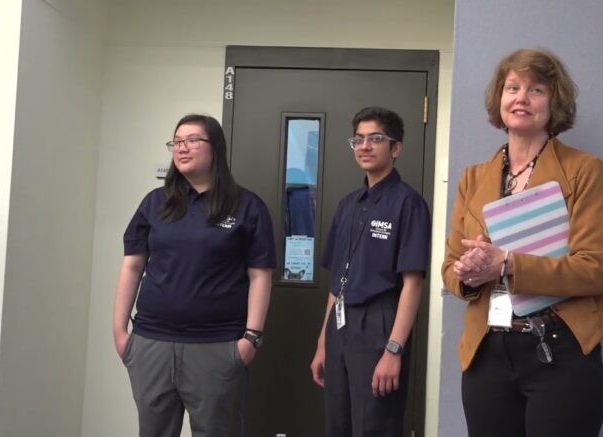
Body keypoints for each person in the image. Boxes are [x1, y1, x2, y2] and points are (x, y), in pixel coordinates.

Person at [442, 49, 603, 437]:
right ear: (499, 100)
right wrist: (468, 274)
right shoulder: (473, 178)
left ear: (554, 104)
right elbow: (450, 267)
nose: (521, 97)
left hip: (562, 352)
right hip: (486, 353)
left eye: (536, 90)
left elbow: (594, 270)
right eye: (512, 87)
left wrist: (506, 264)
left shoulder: (584, 170)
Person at [113, 114, 276, 437]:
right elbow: (132, 265)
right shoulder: (155, 203)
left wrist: (251, 337)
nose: (182, 148)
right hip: (151, 343)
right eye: (176, 141)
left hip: (216, 346)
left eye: (192, 140)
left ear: (215, 148)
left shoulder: (247, 206)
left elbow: (260, 275)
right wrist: (120, 331)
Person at [309, 107, 431, 437]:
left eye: (375, 138)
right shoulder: (348, 205)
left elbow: (412, 284)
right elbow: (337, 282)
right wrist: (323, 343)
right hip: (340, 324)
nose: (365, 146)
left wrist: (394, 350)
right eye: (358, 139)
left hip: (380, 325)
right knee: (339, 424)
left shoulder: (409, 204)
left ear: (396, 147)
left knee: (374, 425)